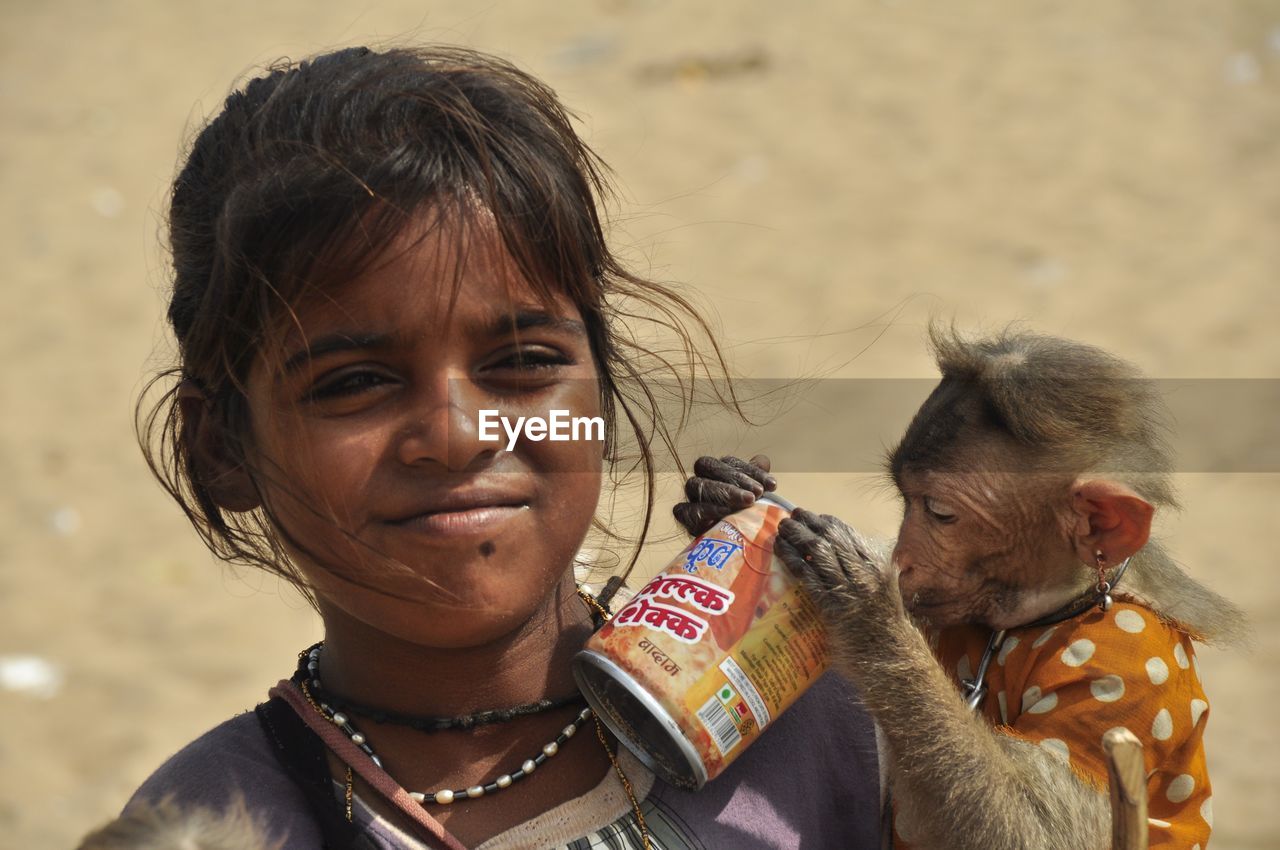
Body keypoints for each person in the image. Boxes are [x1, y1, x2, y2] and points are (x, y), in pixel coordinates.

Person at [112, 45, 882, 850]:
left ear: (601, 403)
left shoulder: (845, 725)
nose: (459, 435)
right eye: (353, 382)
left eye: (522, 364)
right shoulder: (203, 824)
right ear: (222, 448)